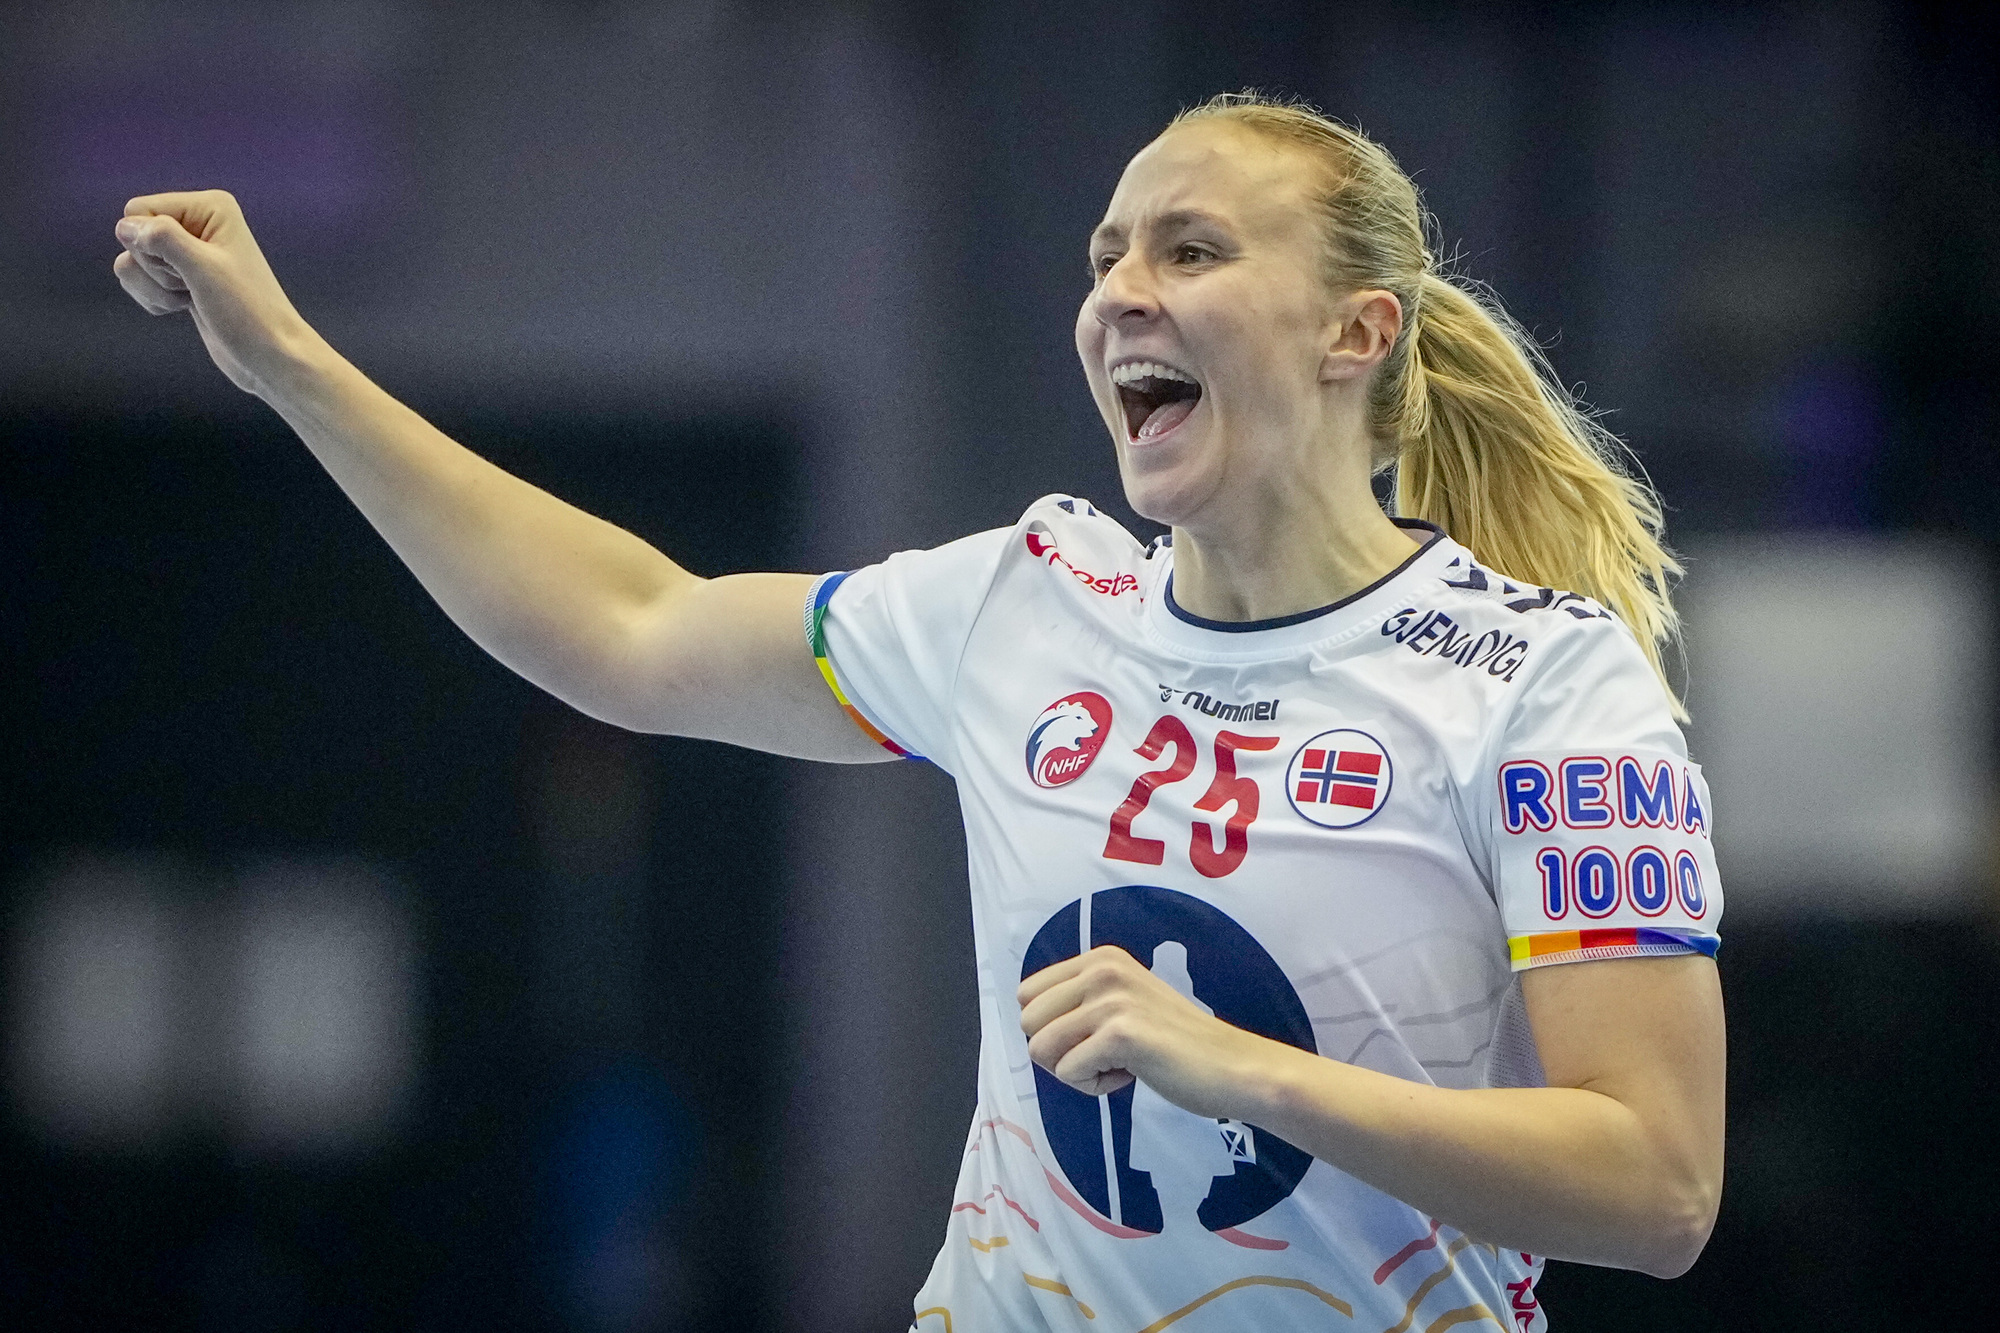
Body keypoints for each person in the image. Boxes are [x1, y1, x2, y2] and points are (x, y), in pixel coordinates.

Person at [113, 91, 1724, 1331]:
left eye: (1191, 250)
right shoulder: (1024, 603)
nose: (1121, 294)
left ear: (1356, 333)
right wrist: (291, 363)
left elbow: (1658, 1183)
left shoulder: (1542, 685)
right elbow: (629, 625)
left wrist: (1243, 1072)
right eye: (1105, 258)